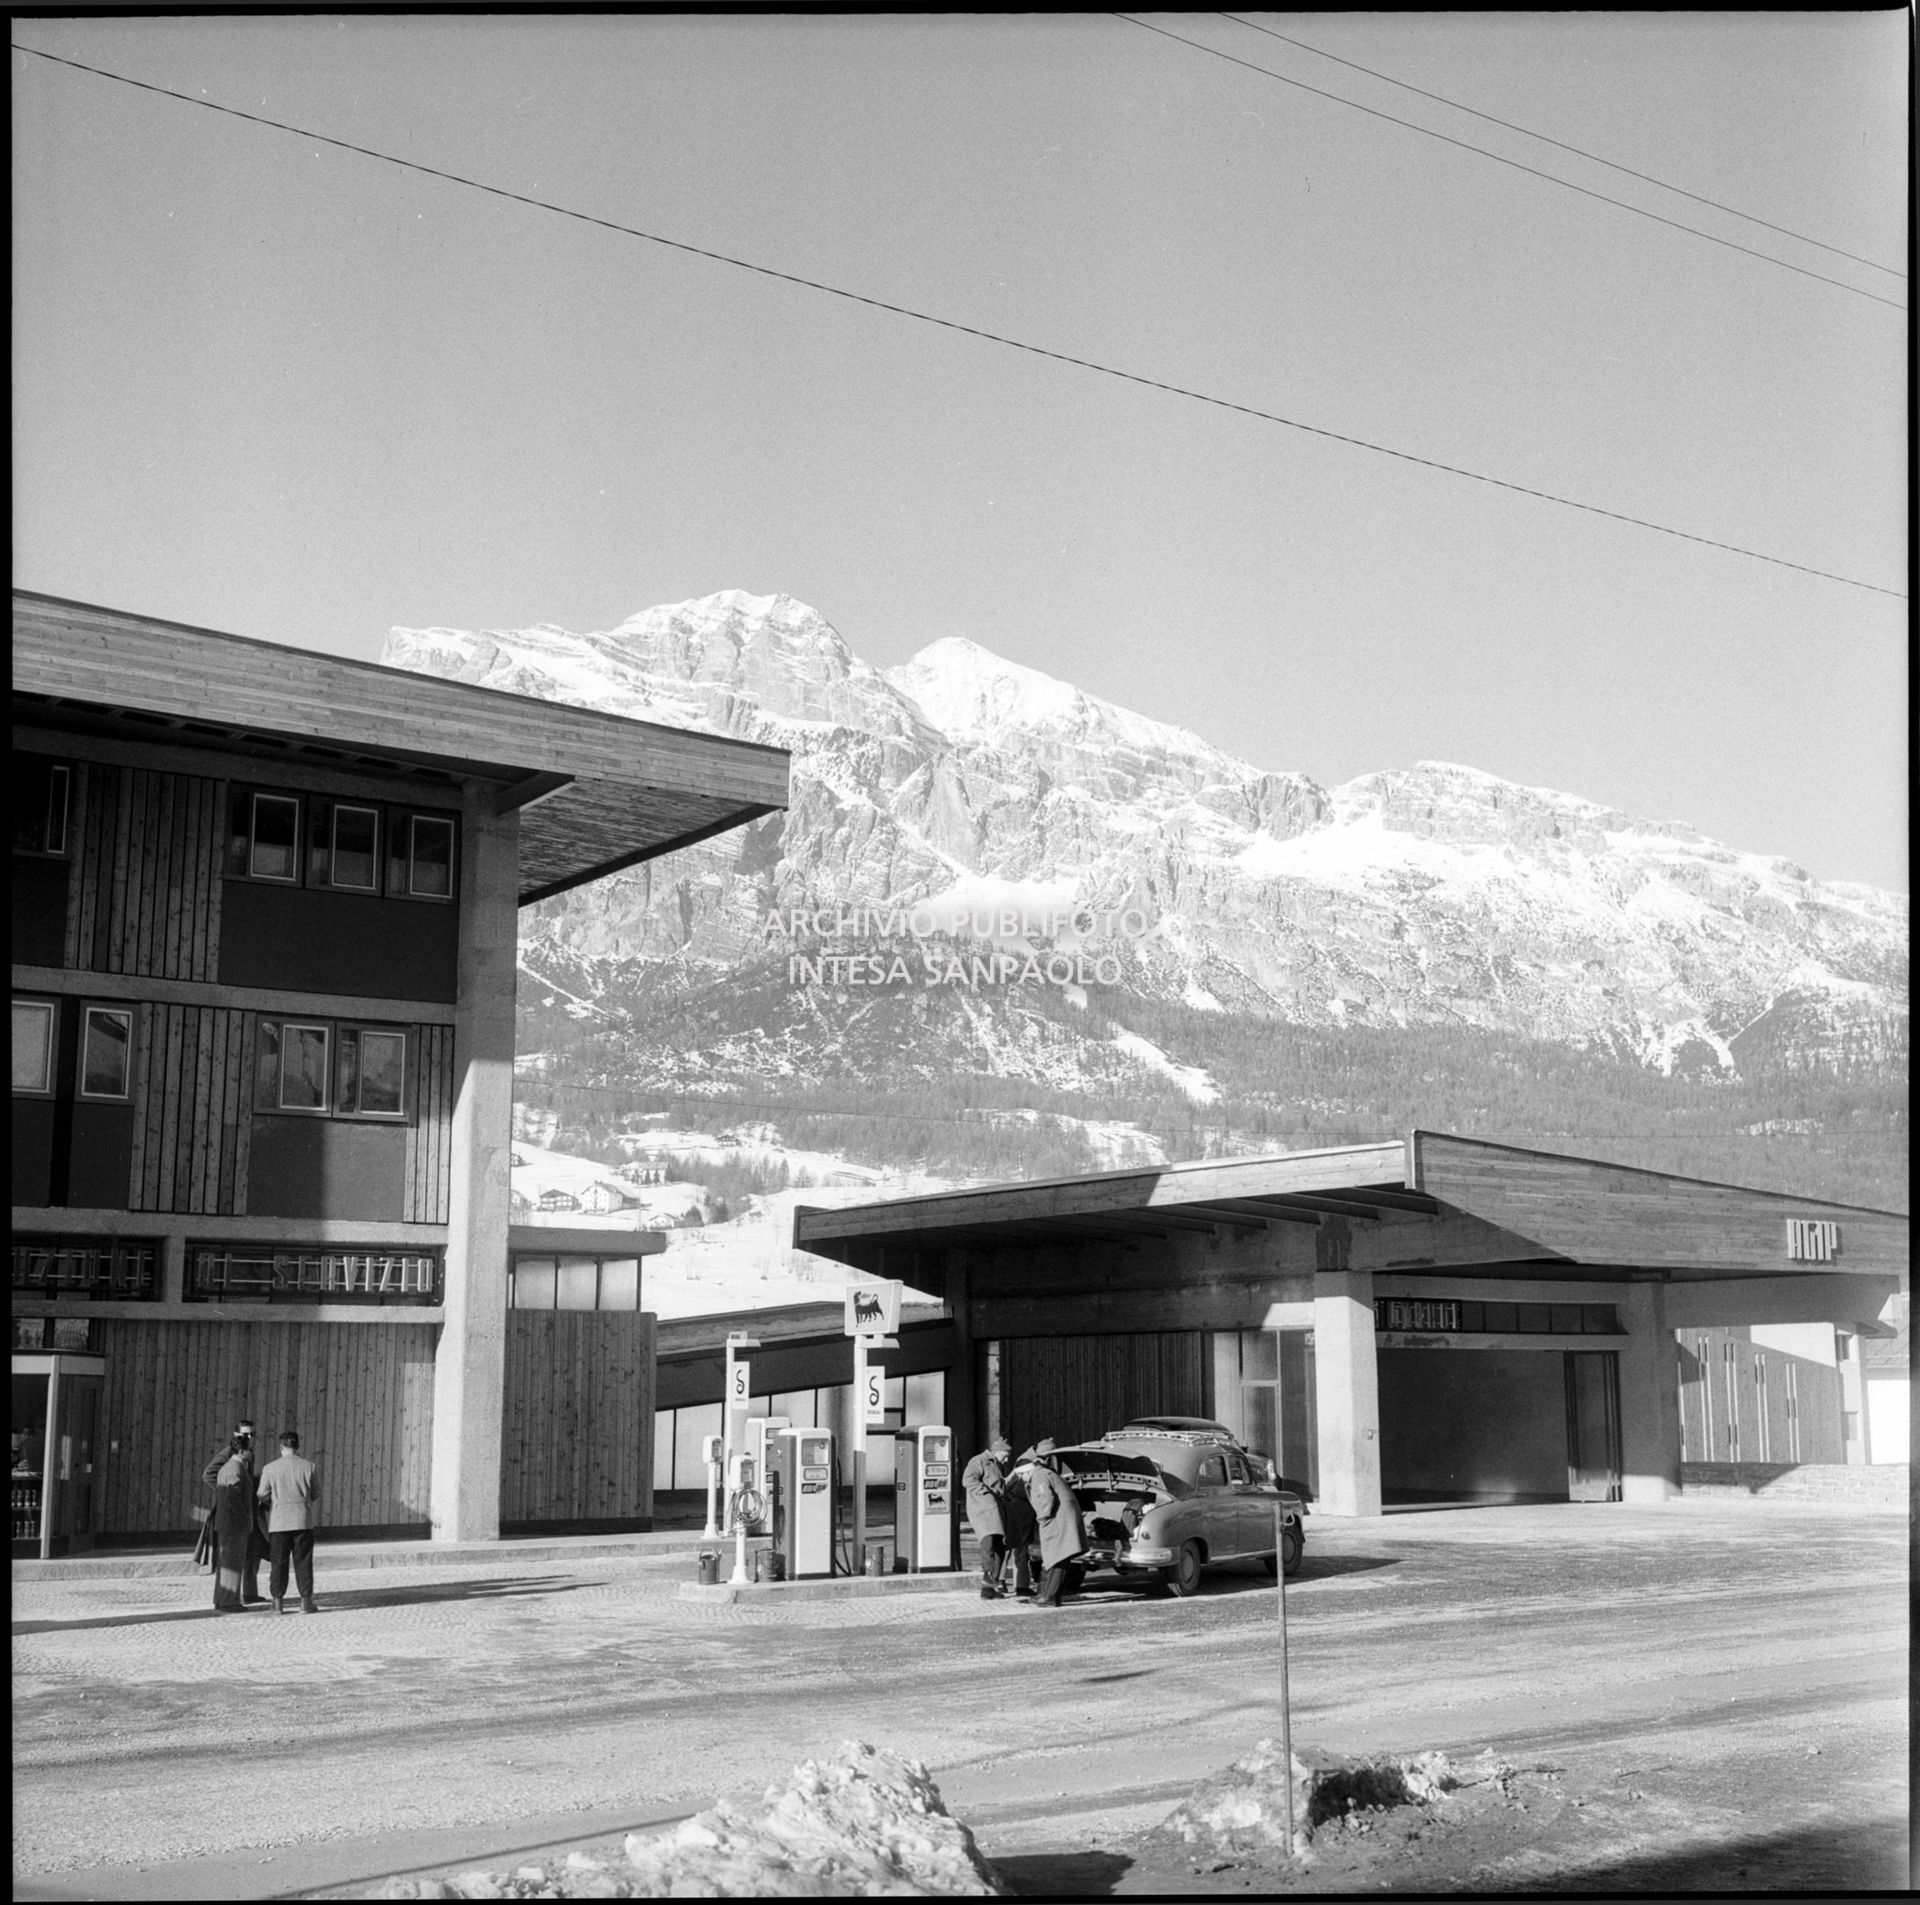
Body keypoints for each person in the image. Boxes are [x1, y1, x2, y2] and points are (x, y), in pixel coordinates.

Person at [256, 1429, 320, 1615]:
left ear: (281, 1446)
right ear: (297, 1446)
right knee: (304, 1562)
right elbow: (316, 1492)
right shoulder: (309, 1466)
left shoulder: (270, 1468)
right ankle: (306, 1602)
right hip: (302, 1520)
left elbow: (261, 1493)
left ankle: (278, 1603)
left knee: (278, 1563)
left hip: (279, 1522)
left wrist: (273, 1502)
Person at [1024, 1437, 1087, 1610]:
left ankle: (1049, 1597)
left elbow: (1046, 1501)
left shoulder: (1039, 1475)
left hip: (1057, 1522)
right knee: (1059, 1559)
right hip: (1065, 1521)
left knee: (1056, 1558)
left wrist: (1042, 1519)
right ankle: (1052, 1596)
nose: (1023, 1479)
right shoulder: (1049, 1472)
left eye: (1022, 1475)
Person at [205, 1433, 264, 1611]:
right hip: (234, 1525)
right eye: (249, 1450)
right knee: (232, 1562)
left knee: (228, 1562)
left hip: (229, 1524)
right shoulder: (234, 1469)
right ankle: (229, 1601)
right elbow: (233, 1498)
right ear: (241, 1451)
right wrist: (245, 1518)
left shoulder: (231, 1468)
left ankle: (222, 1599)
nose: (252, 1453)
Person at [962, 1435, 1016, 1599]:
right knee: (989, 1543)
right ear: (997, 1452)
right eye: (1005, 1456)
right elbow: (968, 1480)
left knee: (1000, 1546)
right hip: (983, 1510)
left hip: (996, 1510)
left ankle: (991, 1586)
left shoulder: (997, 1464)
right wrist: (986, 1495)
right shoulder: (979, 1461)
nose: (1006, 1460)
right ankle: (987, 1582)